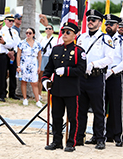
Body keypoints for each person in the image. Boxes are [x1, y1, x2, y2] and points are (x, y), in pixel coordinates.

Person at [42, 22, 86, 152]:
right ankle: (57, 142)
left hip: (72, 89)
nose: (64, 34)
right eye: (63, 32)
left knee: (73, 118)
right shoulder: (56, 49)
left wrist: (66, 71)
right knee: (56, 116)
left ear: (75, 35)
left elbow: (81, 70)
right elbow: (49, 68)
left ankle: (71, 142)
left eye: (68, 32)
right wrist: (45, 80)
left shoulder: (79, 51)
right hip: (57, 89)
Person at [76, 9, 114, 150]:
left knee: (99, 110)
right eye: (89, 19)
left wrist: (93, 64)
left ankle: (99, 138)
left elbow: (109, 58)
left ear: (100, 22)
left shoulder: (106, 39)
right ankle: (79, 137)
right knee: (81, 109)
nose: (90, 22)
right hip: (82, 78)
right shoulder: (82, 38)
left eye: (94, 20)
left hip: (96, 77)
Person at [103, 15, 123, 147]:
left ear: (117, 26)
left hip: (114, 76)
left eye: (112, 24)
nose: (108, 25)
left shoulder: (122, 41)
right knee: (100, 107)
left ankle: (117, 135)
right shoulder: (101, 39)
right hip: (101, 75)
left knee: (116, 107)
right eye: (107, 23)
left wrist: (114, 71)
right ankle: (101, 134)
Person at [0, 15, 16, 102]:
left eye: (0, 25)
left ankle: (1, 95)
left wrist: (3, 42)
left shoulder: (6, 32)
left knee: (2, 76)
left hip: (2, 55)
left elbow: (11, 44)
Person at [16, 27, 42, 107]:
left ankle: (37, 100)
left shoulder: (37, 44)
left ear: (33, 34)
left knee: (34, 82)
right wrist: (18, 65)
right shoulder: (22, 43)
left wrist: (39, 66)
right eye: (27, 33)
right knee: (24, 81)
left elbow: (39, 55)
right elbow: (18, 55)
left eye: (30, 33)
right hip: (24, 62)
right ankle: (25, 98)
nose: (28, 34)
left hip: (33, 63)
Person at [4, 15, 21, 100]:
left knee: (13, 74)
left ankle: (12, 92)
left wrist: (13, 51)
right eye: (9, 21)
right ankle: (3, 93)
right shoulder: (2, 30)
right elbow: (1, 43)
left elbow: (18, 43)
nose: (11, 22)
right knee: (3, 74)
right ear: (5, 21)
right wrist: (8, 52)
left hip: (13, 54)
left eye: (12, 21)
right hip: (4, 54)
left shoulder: (14, 31)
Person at [38, 24, 57, 100]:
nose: (48, 30)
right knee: (41, 76)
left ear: (52, 30)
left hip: (50, 57)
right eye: (47, 28)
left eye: (50, 28)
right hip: (43, 57)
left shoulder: (55, 40)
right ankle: (39, 94)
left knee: (49, 77)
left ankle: (49, 95)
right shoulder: (42, 39)